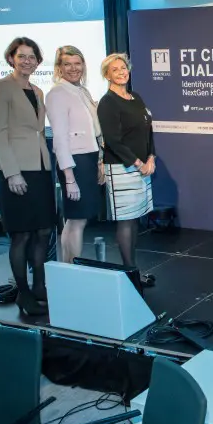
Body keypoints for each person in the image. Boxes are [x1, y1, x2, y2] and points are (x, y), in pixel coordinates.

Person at [0, 37, 55, 316]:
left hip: (40, 168)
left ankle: (39, 286)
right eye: (22, 56)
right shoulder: (0, 87)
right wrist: (12, 173)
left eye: (32, 57)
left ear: (38, 61)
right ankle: (23, 294)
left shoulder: (37, 91)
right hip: (15, 169)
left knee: (44, 230)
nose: (27, 61)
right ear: (11, 58)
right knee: (22, 234)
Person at [97, 53, 156, 286]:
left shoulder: (135, 97)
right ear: (107, 75)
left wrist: (151, 157)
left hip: (142, 167)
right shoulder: (107, 102)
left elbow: (148, 130)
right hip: (122, 168)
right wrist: (138, 163)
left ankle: (133, 271)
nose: (121, 72)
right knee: (126, 221)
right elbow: (113, 140)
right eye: (115, 69)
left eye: (124, 68)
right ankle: (130, 273)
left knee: (134, 220)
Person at [45, 46, 105, 264]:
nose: (73, 68)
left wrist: (99, 162)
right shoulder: (57, 94)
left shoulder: (82, 91)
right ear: (59, 68)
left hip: (88, 160)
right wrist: (69, 179)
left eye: (77, 63)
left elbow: (93, 131)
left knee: (77, 220)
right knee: (76, 221)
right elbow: (60, 139)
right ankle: (71, 270)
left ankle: (69, 268)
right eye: (67, 64)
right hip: (74, 163)